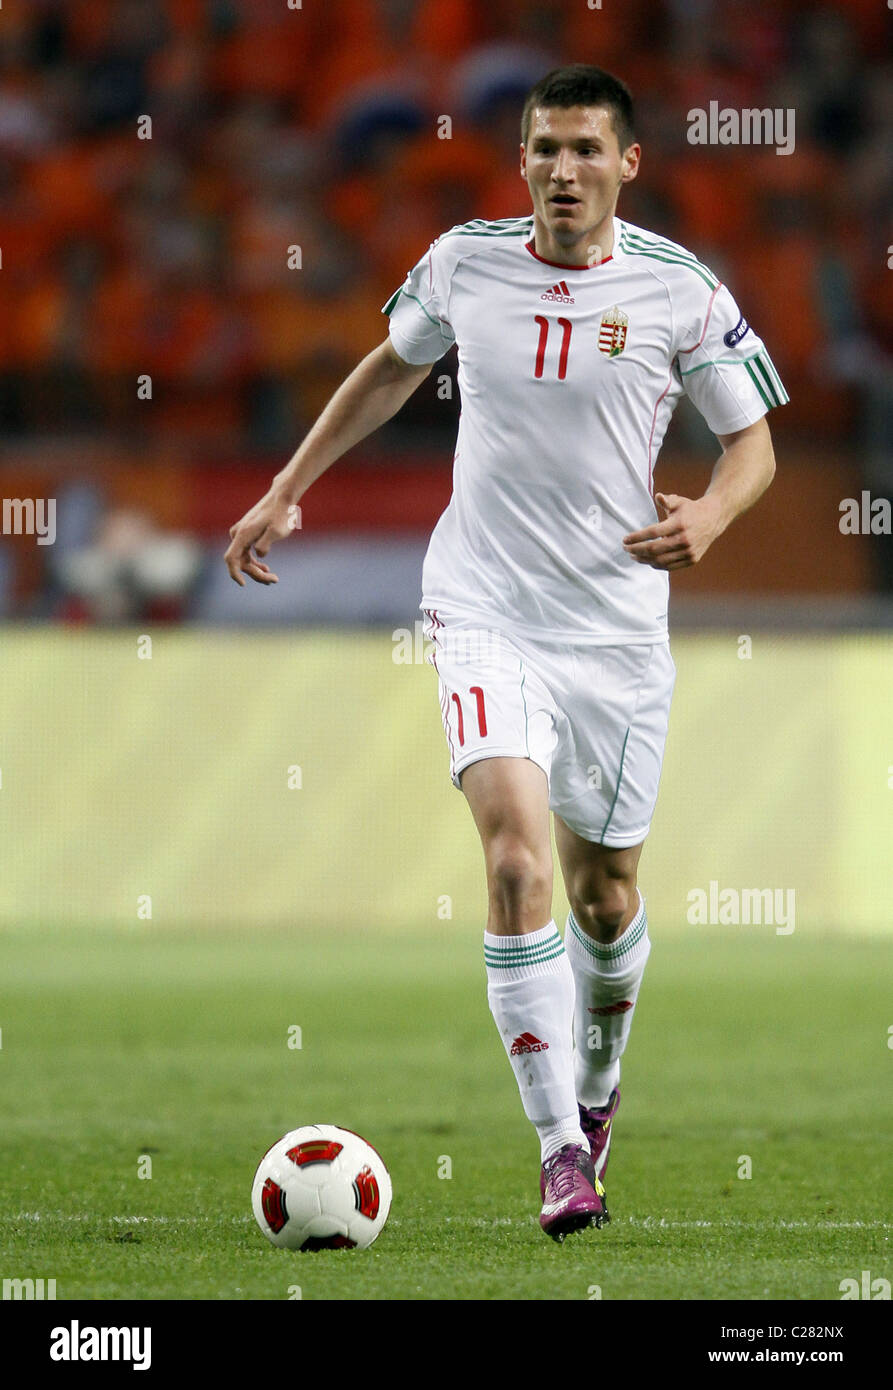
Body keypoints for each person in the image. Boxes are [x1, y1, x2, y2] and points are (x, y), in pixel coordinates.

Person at [224, 64, 787, 1242]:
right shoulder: (462, 264)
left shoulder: (679, 290)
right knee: (516, 860)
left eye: (584, 149)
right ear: (519, 160)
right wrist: (285, 488)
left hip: (616, 628)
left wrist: (712, 514)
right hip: (483, 604)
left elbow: (751, 444)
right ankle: (557, 1150)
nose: (561, 171)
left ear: (626, 163)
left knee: (604, 893)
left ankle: (596, 1087)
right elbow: (390, 366)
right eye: (543, 149)